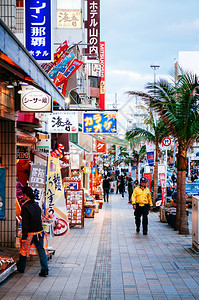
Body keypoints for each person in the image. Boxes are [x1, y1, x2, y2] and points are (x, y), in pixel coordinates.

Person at [16, 186, 49, 277]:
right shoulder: (36, 206)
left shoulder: (25, 207)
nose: (22, 196)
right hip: (39, 232)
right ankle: (45, 269)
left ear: (26, 195)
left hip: (30, 233)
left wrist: (24, 236)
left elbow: (25, 224)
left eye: (23, 195)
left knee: (23, 250)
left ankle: (21, 268)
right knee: (41, 250)